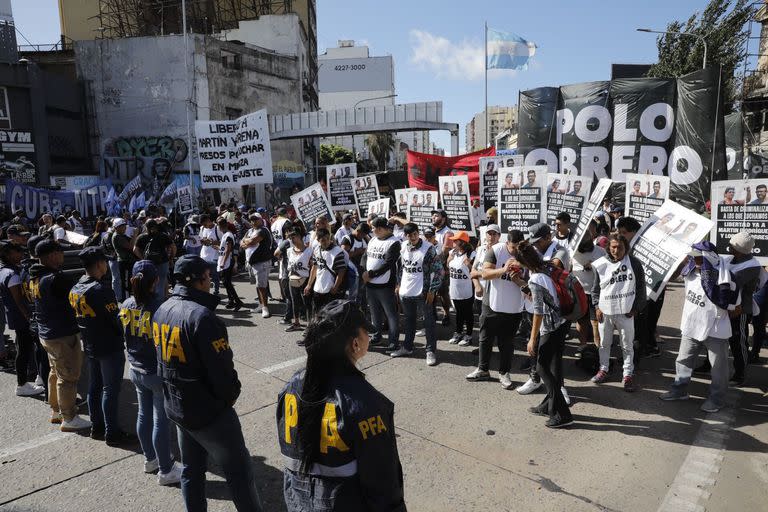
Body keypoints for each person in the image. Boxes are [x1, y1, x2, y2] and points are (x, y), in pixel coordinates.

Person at [153, 255, 262, 511]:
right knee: (239, 472)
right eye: (207, 276)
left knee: (192, 470)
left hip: (178, 405)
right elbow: (222, 371)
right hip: (208, 411)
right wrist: (229, 396)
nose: (210, 279)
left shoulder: (162, 308)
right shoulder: (202, 317)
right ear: (198, 281)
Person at [277, 299, 405, 511]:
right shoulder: (366, 404)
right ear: (355, 343)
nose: (369, 337)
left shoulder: (290, 388)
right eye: (366, 331)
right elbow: (383, 482)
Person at [120, 260, 182, 484]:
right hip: (155, 371)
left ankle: (151, 459)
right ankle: (165, 469)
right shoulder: (161, 306)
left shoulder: (126, 303)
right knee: (160, 421)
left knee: (144, 415)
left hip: (135, 367)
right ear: (156, 280)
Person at [660, 243, 738, 412]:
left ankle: (717, 399)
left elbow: (734, 306)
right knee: (683, 361)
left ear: (709, 257)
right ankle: (678, 390)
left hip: (715, 330)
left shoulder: (726, 277)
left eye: (698, 256)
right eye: (692, 256)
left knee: (718, 368)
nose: (693, 259)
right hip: (691, 325)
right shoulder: (690, 272)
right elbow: (672, 277)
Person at [69, 247, 130, 445]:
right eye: (104, 261)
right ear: (98, 264)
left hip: (90, 343)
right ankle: (112, 433)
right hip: (109, 344)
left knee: (94, 388)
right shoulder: (101, 289)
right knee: (110, 390)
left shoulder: (76, 287)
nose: (106, 265)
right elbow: (115, 320)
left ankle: (97, 427)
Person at [31, 239, 91, 431]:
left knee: (55, 372)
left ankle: (56, 410)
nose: (63, 255)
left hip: (47, 332)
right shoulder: (55, 278)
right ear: (51, 255)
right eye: (60, 252)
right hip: (62, 333)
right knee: (69, 377)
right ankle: (69, 417)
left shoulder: (35, 275)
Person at [515, 241, 574, 428]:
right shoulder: (544, 270)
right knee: (549, 366)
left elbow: (538, 311)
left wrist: (532, 339)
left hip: (551, 327)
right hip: (560, 323)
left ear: (523, 263)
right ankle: (548, 404)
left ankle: (563, 414)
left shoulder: (535, 279)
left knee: (541, 368)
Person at [466, 229, 525, 390]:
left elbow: (531, 279)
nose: (516, 251)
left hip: (514, 306)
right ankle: (483, 369)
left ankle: (504, 373)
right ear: (507, 243)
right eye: (513, 248)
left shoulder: (526, 253)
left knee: (507, 342)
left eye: (519, 247)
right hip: (491, 303)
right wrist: (504, 270)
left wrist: (520, 278)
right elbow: (485, 274)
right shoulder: (496, 250)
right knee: (485, 338)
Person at [591, 233, 647, 391]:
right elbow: (595, 289)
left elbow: (641, 288)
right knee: (604, 343)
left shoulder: (634, 263)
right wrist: (596, 307)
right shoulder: (600, 264)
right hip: (605, 312)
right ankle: (604, 369)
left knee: (627, 345)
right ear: (608, 247)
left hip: (626, 312)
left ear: (626, 248)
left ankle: (628, 375)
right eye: (613, 247)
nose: (616, 250)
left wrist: (636, 308)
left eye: (620, 247)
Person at [394, 223, 442, 365]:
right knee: (409, 321)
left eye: (415, 234)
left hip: (423, 292)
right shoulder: (402, 247)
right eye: (409, 235)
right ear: (405, 236)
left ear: (418, 233)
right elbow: (400, 268)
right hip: (406, 291)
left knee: (428, 322)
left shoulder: (429, 248)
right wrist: (398, 284)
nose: (413, 237)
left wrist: (432, 290)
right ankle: (407, 347)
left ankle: (430, 351)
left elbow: (439, 271)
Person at [0, 241, 44, 397]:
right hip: (21, 317)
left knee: (24, 349)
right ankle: (22, 384)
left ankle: (31, 380)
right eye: (17, 251)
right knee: (25, 350)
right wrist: (29, 318)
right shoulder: (11, 275)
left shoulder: (4, 270)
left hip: (15, 316)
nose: (21, 254)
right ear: (8, 254)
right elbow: (19, 301)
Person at [725, 232, 763, 386]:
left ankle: (740, 373)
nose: (730, 248)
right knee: (716, 338)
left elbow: (732, 282)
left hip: (739, 310)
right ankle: (709, 364)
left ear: (741, 250)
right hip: (725, 307)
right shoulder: (731, 259)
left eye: (734, 246)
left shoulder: (752, 266)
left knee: (738, 341)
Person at [362, 217, 401, 351]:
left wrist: (370, 274)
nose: (371, 230)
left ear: (379, 229)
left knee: (391, 315)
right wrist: (363, 271)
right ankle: (376, 336)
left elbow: (388, 264)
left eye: (373, 228)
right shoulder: (373, 239)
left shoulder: (394, 242)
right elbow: (365, 256)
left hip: (385, 285)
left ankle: (393, 341)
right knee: (374, 313)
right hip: (370, 284)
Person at [571, 235, 605, 349]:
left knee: (595, 321)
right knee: (581, 321)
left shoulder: (601, 251)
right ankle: (583, 345)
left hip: (596, 292)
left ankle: (598, 346)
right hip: (579, 293)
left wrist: (594, 266)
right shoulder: (573, 253)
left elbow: (608, 268)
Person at [305, 228, 346, 315]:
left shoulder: (338, 252)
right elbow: (314, 268)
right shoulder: (316, 250)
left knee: (330, 316)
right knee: (317, 314)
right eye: (323, 240)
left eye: (328, 238)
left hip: (330, 289)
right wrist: (309, 285)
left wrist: (335, 287)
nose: (326, 241)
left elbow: (341, 272)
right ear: (318, 240)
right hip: (318, 288)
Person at [134, 219, 176, 301]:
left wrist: (143, 259)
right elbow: (173, 247)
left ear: (146, 227)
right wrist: (171, 258)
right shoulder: (163, 235)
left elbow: (135, 249)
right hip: (162, 262)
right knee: (161, 282)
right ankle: (159, 303)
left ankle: (155, 300)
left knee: (149, 283)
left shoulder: (141, 237)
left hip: (147, 264)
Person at [241, 214, 274, 318]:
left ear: (261, 220)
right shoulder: (250, 231)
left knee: (261, 286)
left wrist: (247, 241)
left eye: (255, 219)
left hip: (261, 262)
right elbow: (241, 243)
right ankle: (260, 305)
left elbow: (252, 241)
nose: (253, 222)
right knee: (257, 285)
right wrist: (247, 242)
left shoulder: (263, 230)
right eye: (251, 220)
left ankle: (265, 308)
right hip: (252, 262)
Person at [447, 232, 476, 346]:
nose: (453, 242)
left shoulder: (472, 254)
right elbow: (448, 266)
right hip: (454, 288)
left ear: (462, 242)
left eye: (455, 240)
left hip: (466, 289)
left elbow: (474, 271)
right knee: (458, 312)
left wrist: (469, 264)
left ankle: (468, 335)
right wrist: (449, 260)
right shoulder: (452, 252)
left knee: (468, 313)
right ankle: (458, 332)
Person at [285, 229, 312, 334]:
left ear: (300, 237)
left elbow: (312, 266)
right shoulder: (289, 251)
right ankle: (296, 323)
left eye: (294, 237)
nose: (292, 240)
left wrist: (309, 283)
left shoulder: (309, 251)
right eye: (290, 238)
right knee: (294, 301)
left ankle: (310, 326)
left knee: (307, 302)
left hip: (305, 279)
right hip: (292, 279)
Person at [217, 218, 246, 312]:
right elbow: (223, 248)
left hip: (227, 261)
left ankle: (237, 301)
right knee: (226, 282)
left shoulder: (228, 235)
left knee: (227, 282)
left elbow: (228, 249)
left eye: (218, 225)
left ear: (221, 226)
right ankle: (231, 301)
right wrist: (216, 247)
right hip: (224, 260)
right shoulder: (225, 235)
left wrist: (223, 262)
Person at [431, 209, 454, 326]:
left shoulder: (448, 232)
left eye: (436, 216)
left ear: (443, 218)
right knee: (431, 292)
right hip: (430, 267)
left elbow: (445, 251)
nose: (433, 218)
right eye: (433, 216)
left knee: (443, 292)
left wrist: (434, 262)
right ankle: (433, 313)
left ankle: (446, 314)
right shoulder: (432, 231)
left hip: (441, 267)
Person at [199, 214, 222, 296]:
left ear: (209, 220)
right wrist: (203, 241)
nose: (204, 226)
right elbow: (201, 239)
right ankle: (206, 290)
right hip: (204, 255)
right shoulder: (202, 228)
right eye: (203, 225)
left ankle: (216, 292)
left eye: (205, 224)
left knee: (215, 275)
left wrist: (212, 242)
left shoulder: (217, 228)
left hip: (214, 256)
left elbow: (222, 242)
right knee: (204, 275)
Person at [112, 218, 135, 299]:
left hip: (127, 262)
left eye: (124, 226)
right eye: (122, 226)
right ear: (116, 227)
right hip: (124, 262)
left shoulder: (122, 235)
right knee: (125, 283)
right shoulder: (117, 237)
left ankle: (127, 298)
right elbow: (130, 246)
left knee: (128, 282)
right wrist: (135, 235)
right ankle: (125, 300)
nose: (124, 228)